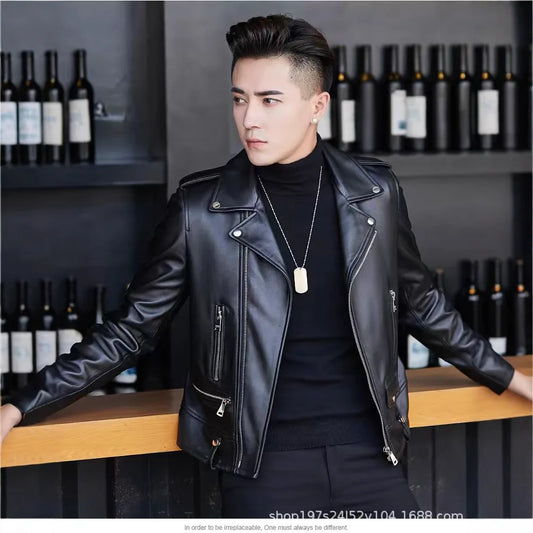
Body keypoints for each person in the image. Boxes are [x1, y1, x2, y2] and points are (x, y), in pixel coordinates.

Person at [1, 14, 531, 519]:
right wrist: (21, 405)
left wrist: (510, 378)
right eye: (240, 99)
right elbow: (131, 330)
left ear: (317, 105)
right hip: (262, 465)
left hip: (373, 453)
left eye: (269, 100)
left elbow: (423, 305)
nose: (249, 119)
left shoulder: (375, 193)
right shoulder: (200, 209)